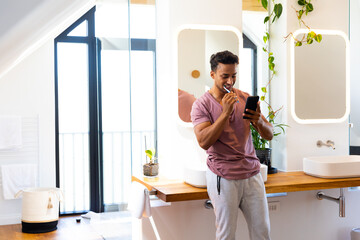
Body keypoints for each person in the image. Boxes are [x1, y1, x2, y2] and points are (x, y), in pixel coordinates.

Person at [191, 50, 273, 240]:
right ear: (213, 75)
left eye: (233, 75)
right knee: (226, 235)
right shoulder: (201, 105)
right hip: (223, 177)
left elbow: (268, 135)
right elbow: (204, 141)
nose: (230, 81)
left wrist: (258, 122)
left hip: (252, 175)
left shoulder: (244, 98)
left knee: (262, 232)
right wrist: (225, 113)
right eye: (225, 76)